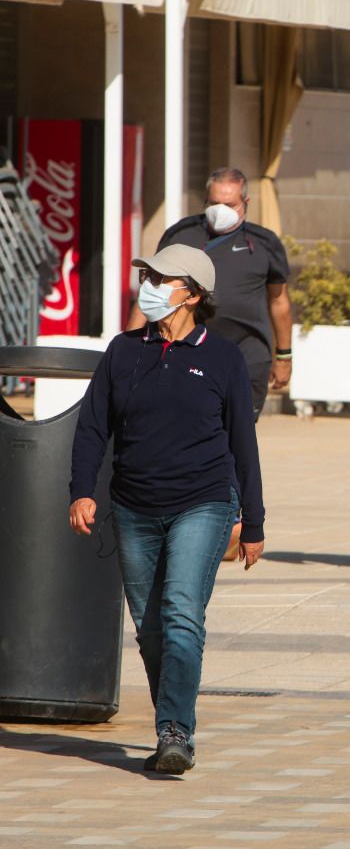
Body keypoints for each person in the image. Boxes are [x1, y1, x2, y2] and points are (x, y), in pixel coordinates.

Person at [69, 245, 265, 775]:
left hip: (203, 502)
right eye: (147, 275)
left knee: (181, 615)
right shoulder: (123, 351)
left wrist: (255, 521)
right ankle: (173, 723)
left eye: (160, 278)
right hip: (133, 508)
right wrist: (82, 490)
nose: (148, 285)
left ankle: (175, 730)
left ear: (193, 295)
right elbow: (92, 426)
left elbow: (243, 443)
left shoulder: (222, 357)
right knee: (151, 629)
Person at [129, 167, 291, 560]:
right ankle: (190, 515)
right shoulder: (181, 235)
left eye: (230, 203)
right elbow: (149, 292)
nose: (221, 210)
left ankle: (228, 518)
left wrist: (283, 355)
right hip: (186, 353)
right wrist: (130, 344)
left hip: (246, 360)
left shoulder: (264, 243)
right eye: (214, 202)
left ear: (245, 203)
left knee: (234, 439)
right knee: (187, 434)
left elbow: (279, 302)